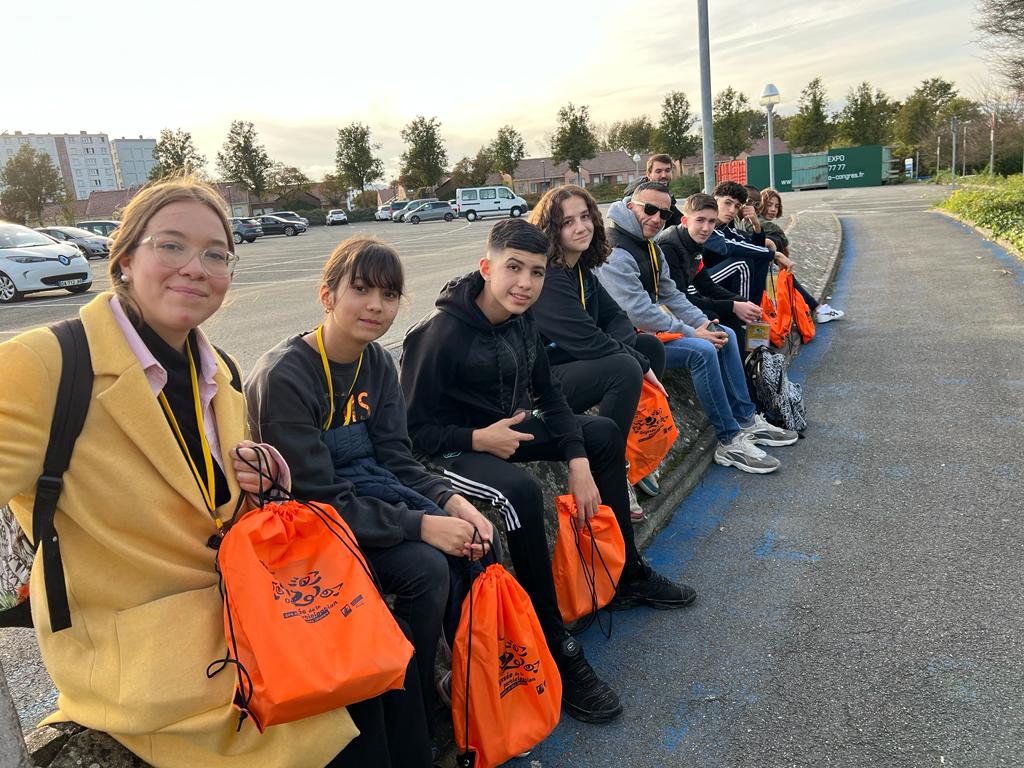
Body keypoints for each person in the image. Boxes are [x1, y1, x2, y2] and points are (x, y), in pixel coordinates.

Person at [0, 177, 358, 768]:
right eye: (171, 245)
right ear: (124, 259)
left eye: (216, 254)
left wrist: (259, 480)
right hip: (137, 664)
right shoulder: (45, 365)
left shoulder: (220, 369)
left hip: (239, 625)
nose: (196, 267)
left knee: (365, 693)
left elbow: (208, 506)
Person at [400, 218, 695, 725]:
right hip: (449, 451)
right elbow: (411, 435)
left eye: (536, 272)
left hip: (507, 431)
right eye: (513, 268)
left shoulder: (522, 319)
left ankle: (625, 574)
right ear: (486, 267)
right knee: (519, 492)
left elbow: (551, 396)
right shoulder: (440, 335)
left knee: (601, 434)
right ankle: (554, 640)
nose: (525, 283)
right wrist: (476, 439)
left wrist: (577, 462)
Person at [246, 237, 496, 766]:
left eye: (389, 295)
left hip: (371, 499)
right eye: (360, 290)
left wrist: (449, 501)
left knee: (473, 542)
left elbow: (398, 459)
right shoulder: (285, 377)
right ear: (327, 295)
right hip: (311, 527)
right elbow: (314, 498)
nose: (375, 306)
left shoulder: (378, 363)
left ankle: (449, 687)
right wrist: (420, 526)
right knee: (427, 566)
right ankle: (420, 706)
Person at [595, 181, 798, 474]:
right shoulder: (617, 251)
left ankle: (746, 418)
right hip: (621, 342)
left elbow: (672, 294)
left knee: (725, 334)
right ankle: (729, 441)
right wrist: (693, 332)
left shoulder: (648, 244)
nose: (656, 218)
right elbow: (638, 311)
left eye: (664, 213)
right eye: (649, 209)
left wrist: (703, 323)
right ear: (630, 207)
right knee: (702, 351)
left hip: (643, 332)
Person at [528, 185, 668, 509]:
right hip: (539, 385)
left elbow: (615, 317)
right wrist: (638, 362)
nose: (581, 227)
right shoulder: (548, 276)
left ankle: (631, 450)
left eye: (585, 217)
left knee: (650, 346)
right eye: (567, 222)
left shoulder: (579, 269)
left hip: (575, 362)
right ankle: (610, 470)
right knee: (625, 367)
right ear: (551, 229)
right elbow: (587, 339)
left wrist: (637, 354)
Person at [655, 192, 763, 349]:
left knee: (732, 313)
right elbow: (677, 299)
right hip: (661, 312)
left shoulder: (694, 242)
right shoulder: (669, 248)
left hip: (679, 303)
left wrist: (744, 303)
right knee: (714, 317)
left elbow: (707, 286)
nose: (706, 228)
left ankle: (746, 358)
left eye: (711, 221)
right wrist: (732, 305)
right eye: (700, 220)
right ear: (685, 221)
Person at [756, 187, 845, 324]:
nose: (773, 209)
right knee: (785, 276)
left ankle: (817, 308)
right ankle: (818, 309)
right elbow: (785, 246)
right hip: (761, 272)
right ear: (760, 204)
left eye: (776, 206)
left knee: (785, 276)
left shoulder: (760, 223)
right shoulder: (766, 225)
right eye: (769, 205)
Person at [623, 153, 681, 228]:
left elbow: (678, 220)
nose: (664, 175)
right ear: (649, 174)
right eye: (658, 171)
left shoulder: (663, 195)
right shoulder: (638, 198)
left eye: (667, 170)